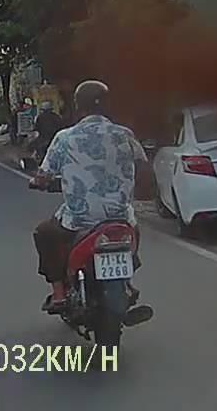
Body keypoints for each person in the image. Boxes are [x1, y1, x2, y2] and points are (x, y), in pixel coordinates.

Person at [31, 80, 143, 313]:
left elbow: (43, 175)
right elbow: (144, 167)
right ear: (108, 105)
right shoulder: (124, 135)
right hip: (120, 217)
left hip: (80, 220)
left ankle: (59, 294)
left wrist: (38, 182)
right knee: (134, 227)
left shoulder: (65, 138)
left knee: (44, 233)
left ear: (77, 106)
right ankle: (127, 281)